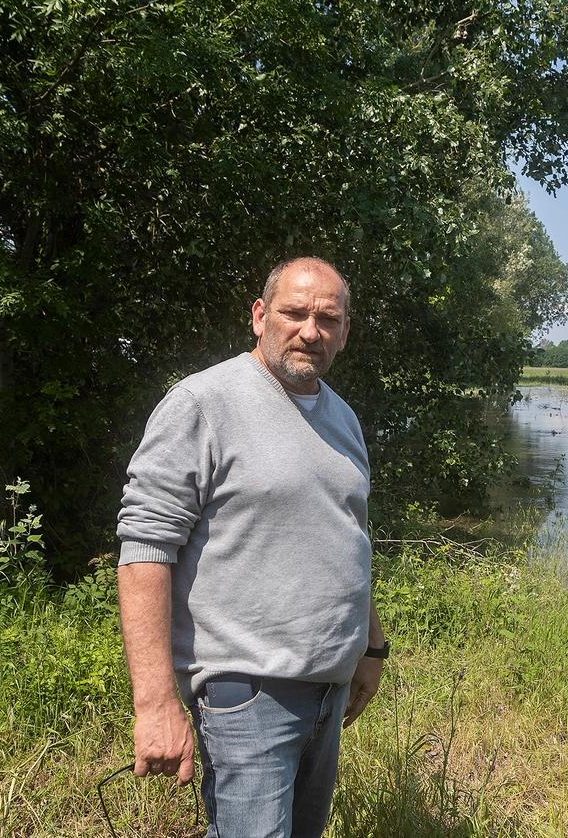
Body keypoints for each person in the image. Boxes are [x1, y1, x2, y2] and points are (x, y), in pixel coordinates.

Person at [116, 256, 386, 838]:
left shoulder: (343, 417)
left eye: (327, 318)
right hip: (247, 694)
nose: (309, 330)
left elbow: (346, 538)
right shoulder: (203, 404)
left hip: (328, 690)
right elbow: (144, 550)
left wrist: (372, 645)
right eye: (294, 312)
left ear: (344, 332)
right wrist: (155, 702)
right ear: (261, 316)